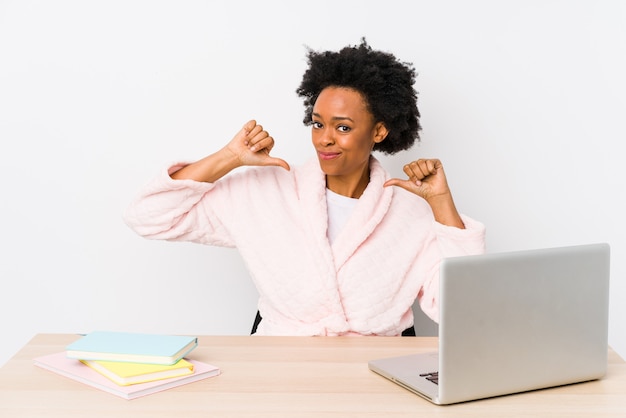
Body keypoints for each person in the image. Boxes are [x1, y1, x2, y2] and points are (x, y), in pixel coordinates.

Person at [123, 39, 486, 336]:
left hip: (379, 370)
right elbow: (148, 217)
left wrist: (441, 204)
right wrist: (229, 157)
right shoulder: (266, 192)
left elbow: (464, 309)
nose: (325, 139)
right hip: (280, 369)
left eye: (343, 127)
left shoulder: (411, 213)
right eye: (317, 124)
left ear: (378, 131)